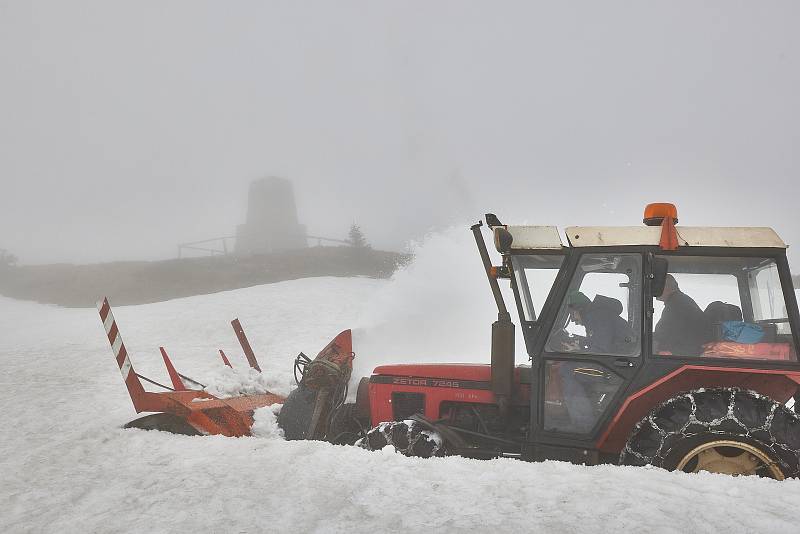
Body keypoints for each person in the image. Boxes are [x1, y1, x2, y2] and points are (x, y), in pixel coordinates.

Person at [557, 291, 634, 433]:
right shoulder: (600, 315)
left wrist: (577, 350)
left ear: (579, 309)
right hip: (617, 364)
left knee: (568, 370)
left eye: (572, 314)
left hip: (613, 369)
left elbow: (600, 349)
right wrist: (580, 342)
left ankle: (583, 426)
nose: (573, 320)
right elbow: (602, 342)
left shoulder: (597, 317)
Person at [653, 275, 712, 356]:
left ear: (665, 287)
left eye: (655, 286)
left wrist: (674, 352)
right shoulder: (679, 300)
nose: (653, 291)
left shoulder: (677, 304)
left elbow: (666, 334)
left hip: (685, 352)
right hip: (686, 350)